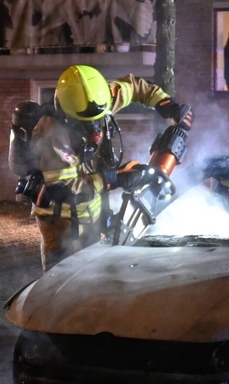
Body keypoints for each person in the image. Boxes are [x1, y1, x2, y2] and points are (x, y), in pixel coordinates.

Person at [10, 65, 193, 272]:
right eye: (87, 123)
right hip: (61, 221)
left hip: (92, 210)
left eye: (99, 120)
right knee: (62, 282)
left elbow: (134, 87)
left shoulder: (99, 100)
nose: (96, 128)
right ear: (67, 114)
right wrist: (114, 178)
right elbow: (66, 189)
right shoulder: (53, 135)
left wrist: (168, 105)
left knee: (94, 274)